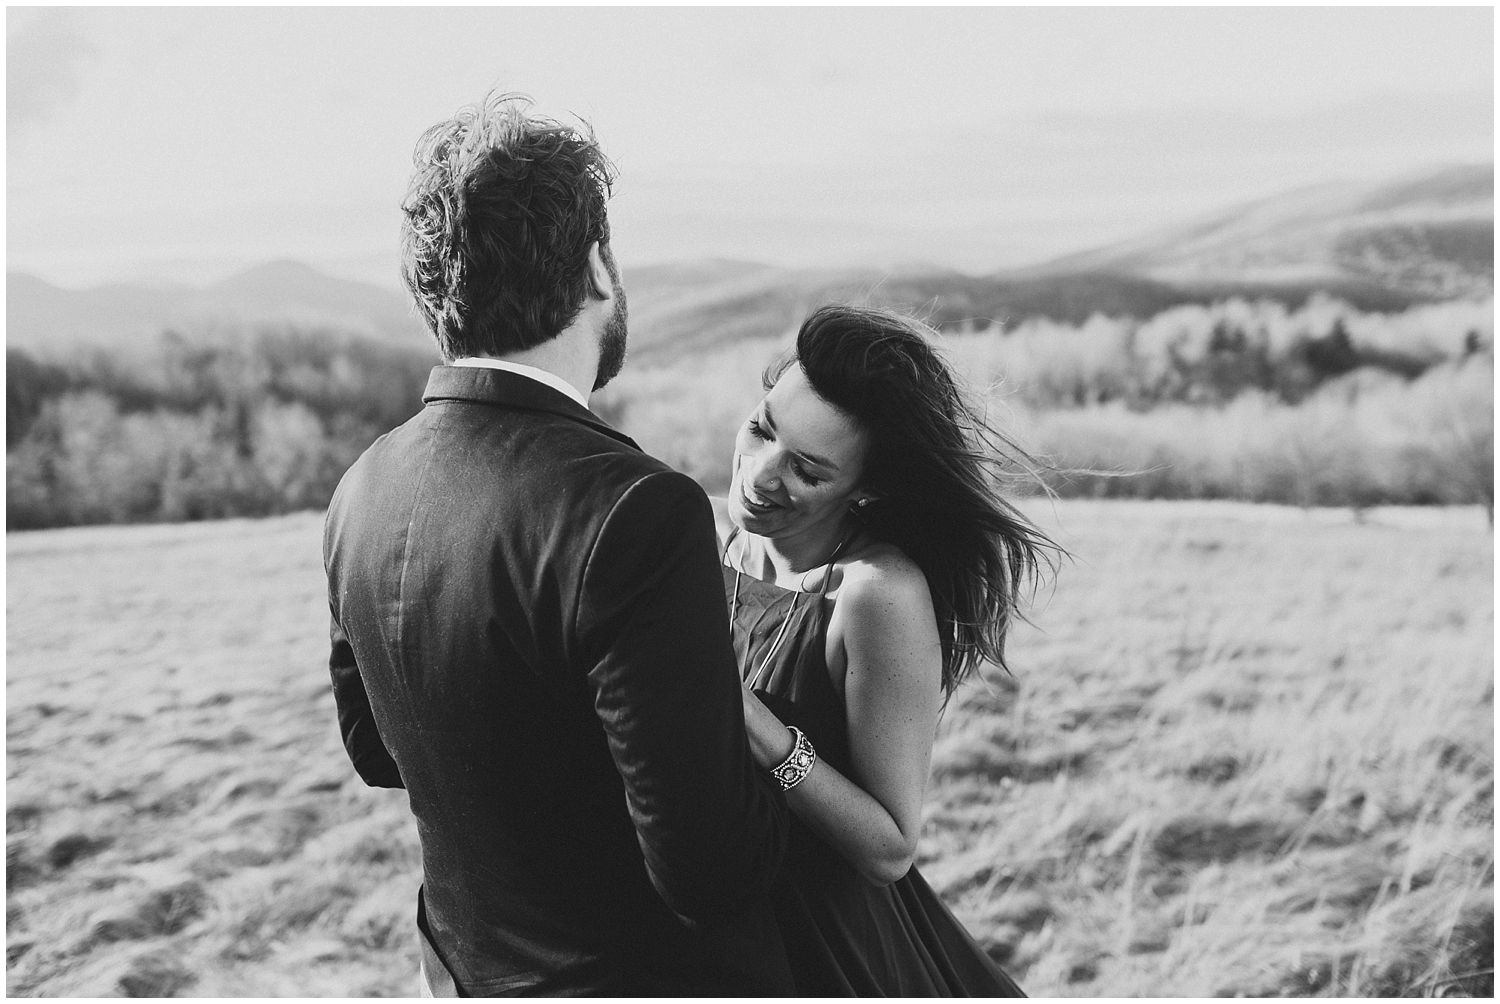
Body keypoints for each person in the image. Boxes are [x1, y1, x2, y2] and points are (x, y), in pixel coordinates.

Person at [323, 93, 795, 996]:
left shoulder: (361, 486)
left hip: (458, 967)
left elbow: (377, 751)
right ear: (596, 270)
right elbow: (712, 873)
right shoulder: (637, 511)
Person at [714, 303, 1058, 995]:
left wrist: (755, 728)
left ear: (865, 489)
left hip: (828, 952)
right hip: (718, 930)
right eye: (762, 430)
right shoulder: (714, 540)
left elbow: (889, 848)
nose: (759, 474)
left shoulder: (879, 595)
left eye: (807, 471)